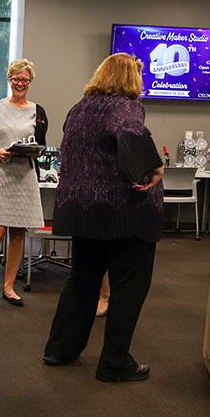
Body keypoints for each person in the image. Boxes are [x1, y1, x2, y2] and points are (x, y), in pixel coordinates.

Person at [42, 53, 164, 383]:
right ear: (129, 78)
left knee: (82, 280)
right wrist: (151, 170)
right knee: (128, 287)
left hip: (82, 212)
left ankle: (60, 348)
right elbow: (130, 136)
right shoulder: (125, 106)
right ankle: (114, 362)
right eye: (139, 75)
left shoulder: (79, 108)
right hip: (124, 215)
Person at [0, 58, 47, 309]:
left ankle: (9, 286)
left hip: (24, 176)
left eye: (25, 79)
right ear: (9, 80)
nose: (20, 83)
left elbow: (41, 144)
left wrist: (35, 152)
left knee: (18, 232)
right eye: (16, 79)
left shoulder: (38, 111)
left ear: (31, 82)